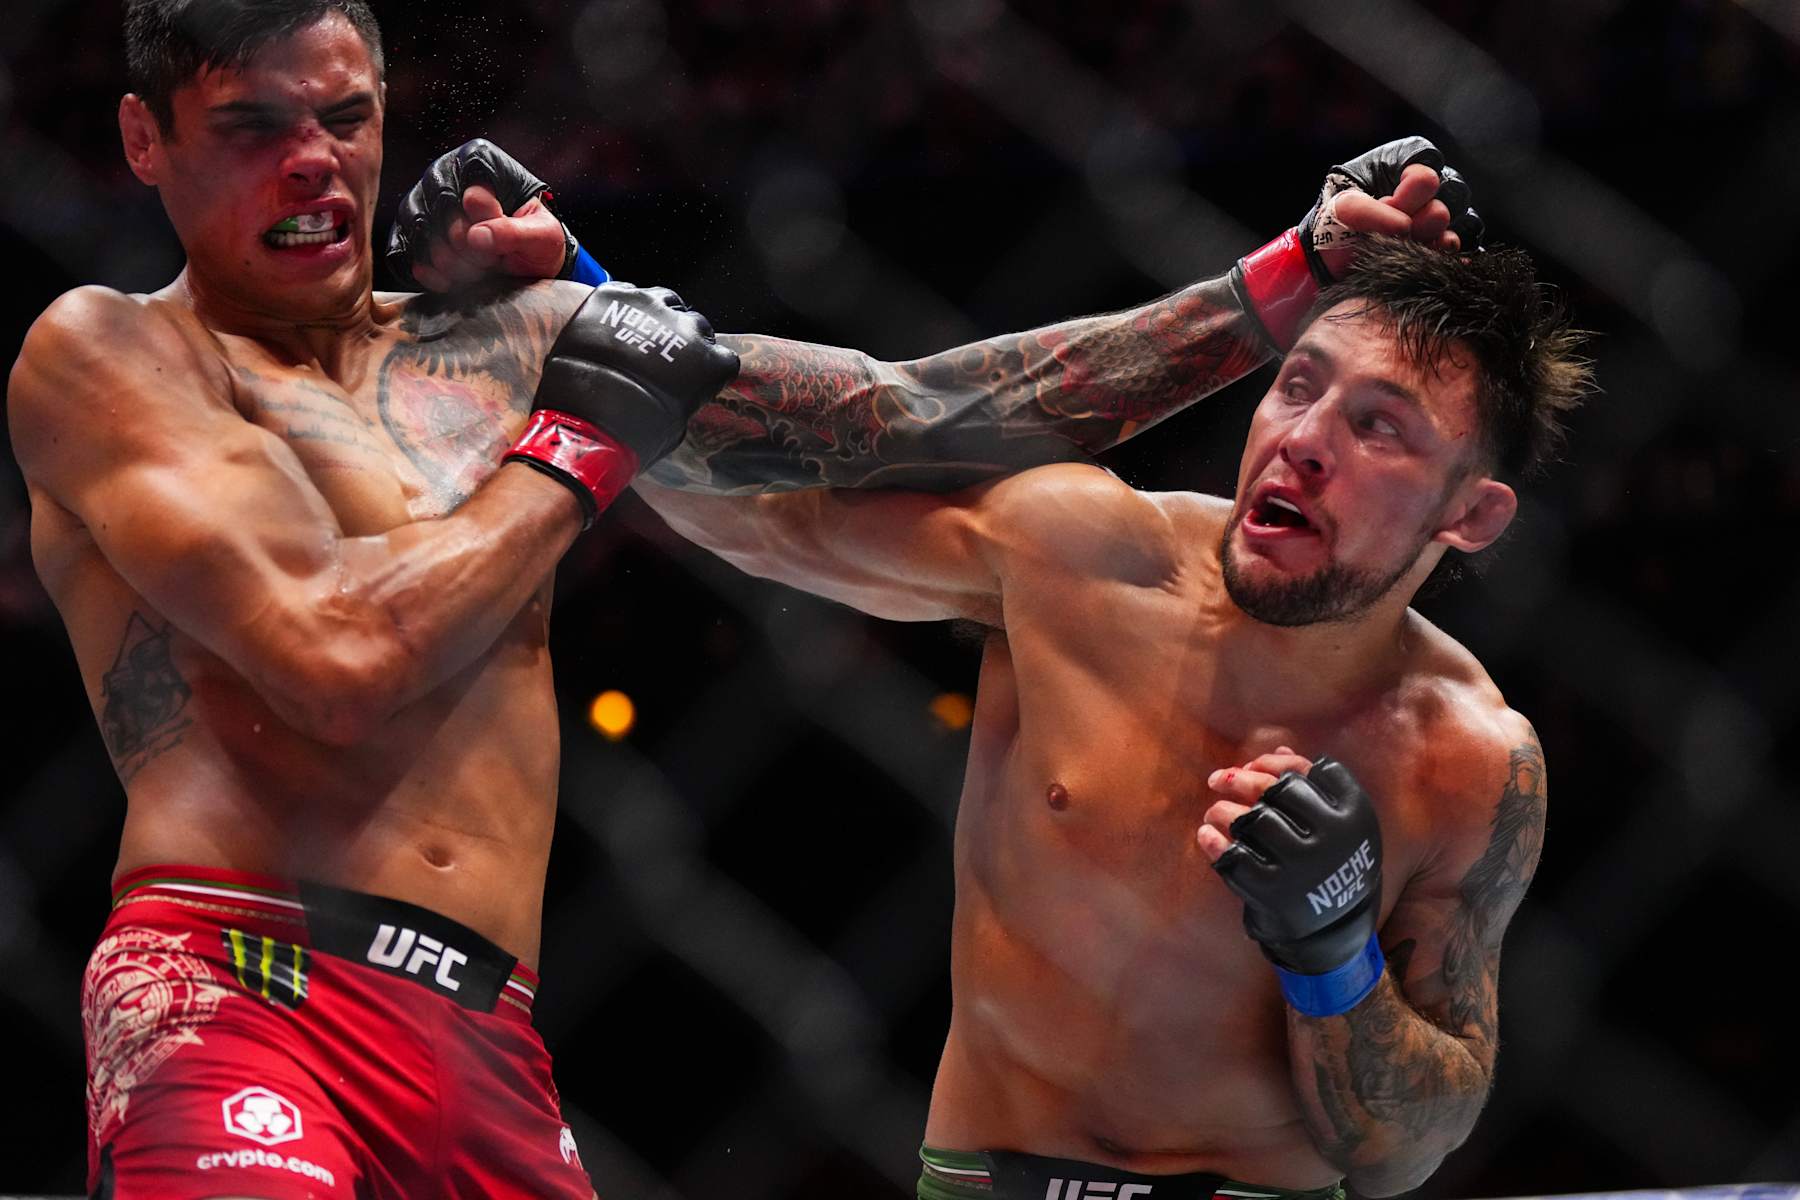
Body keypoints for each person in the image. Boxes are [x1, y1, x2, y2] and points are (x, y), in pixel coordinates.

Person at [5, 4, 1471, 1197]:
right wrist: (584, 436)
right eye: (253, 126)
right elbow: (331, 652)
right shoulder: (111, 360)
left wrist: (1295, 272)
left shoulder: (502, 343)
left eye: (345, 116)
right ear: (145, 138)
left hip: (483, 1033)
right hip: (234, 980)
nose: (315, 164)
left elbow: (927, 414)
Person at [406, 175, 1586, 1190]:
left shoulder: (1472, 757)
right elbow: (760, 513)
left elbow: (1410, 1143)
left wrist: (1336, 957)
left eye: (1381, 427)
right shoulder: (1083, 555)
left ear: (1472, 515)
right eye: (1298, 385)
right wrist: (585, 304)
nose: (1304, 438)